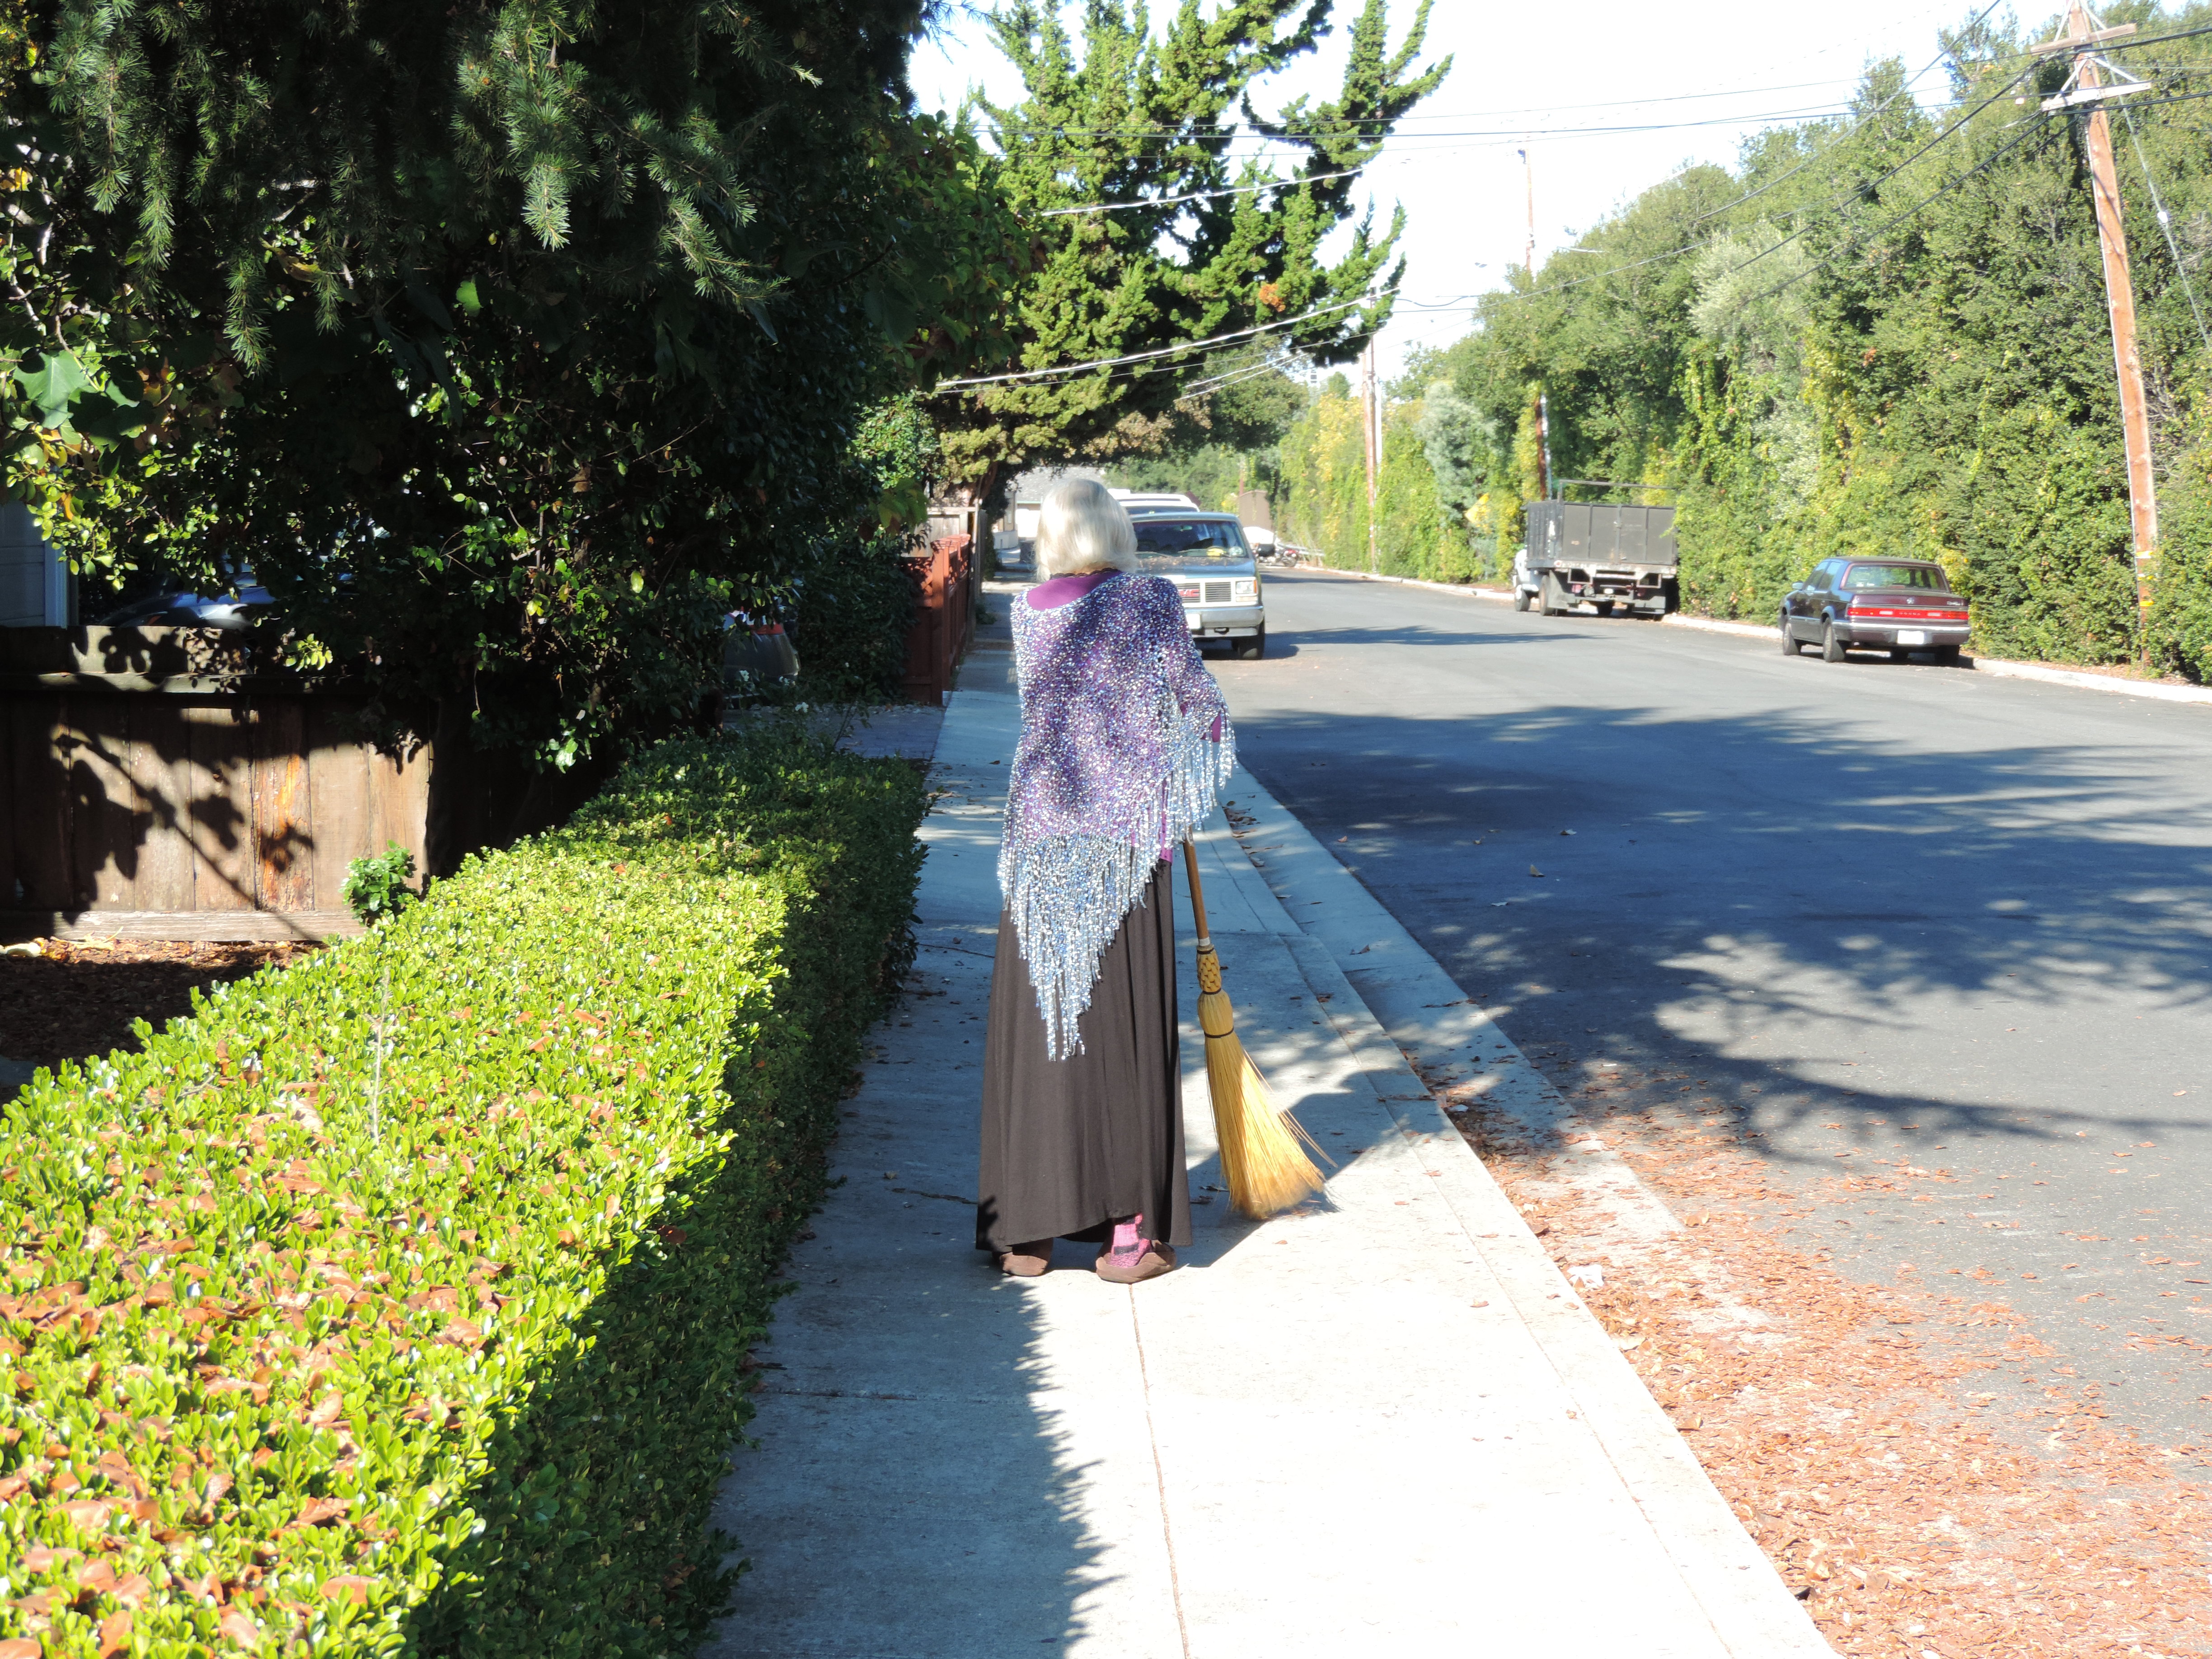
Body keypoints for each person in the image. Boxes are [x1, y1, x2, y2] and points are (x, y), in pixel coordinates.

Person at [976, 478, 1233, 1284]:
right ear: (1116, 530)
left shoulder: (1027, 611)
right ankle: (1129, 1234)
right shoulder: (1150, 600)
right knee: (1122, 1034)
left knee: (1045, 1029)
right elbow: (1205, 711)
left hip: (1040, 842)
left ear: (1051, 538)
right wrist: (1169, 770)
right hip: (1124, 847)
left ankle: (1026, 1232)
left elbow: (1051, 715)